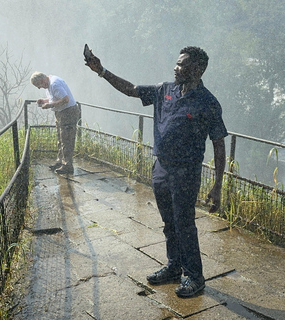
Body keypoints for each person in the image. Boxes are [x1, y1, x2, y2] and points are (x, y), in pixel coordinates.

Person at [84, 46, 228, 298]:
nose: (176, 68)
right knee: (168, 222)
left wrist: (217, 185)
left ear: (198, 69)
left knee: (184, 224)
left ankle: (195, 277)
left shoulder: (208, 103)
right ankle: (174, 267)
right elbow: (131, 90)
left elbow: (218, 142)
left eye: (182, 64)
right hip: (161, 167)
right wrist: (102, 71)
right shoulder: (165, 90)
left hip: (186, 172)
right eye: (177, 63)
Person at [30, 72, 81, 174]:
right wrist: (45, 101)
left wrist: (49, 105)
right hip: (61, 112)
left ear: (42, 80)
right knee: (61, 139)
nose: (39, 88)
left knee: (66, 140)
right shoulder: (49, 84)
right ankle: (60, 162)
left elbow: (65, 99)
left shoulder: (54, 84)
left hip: (68, 112)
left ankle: (67, 166)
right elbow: (55, 98)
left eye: (38, 85)